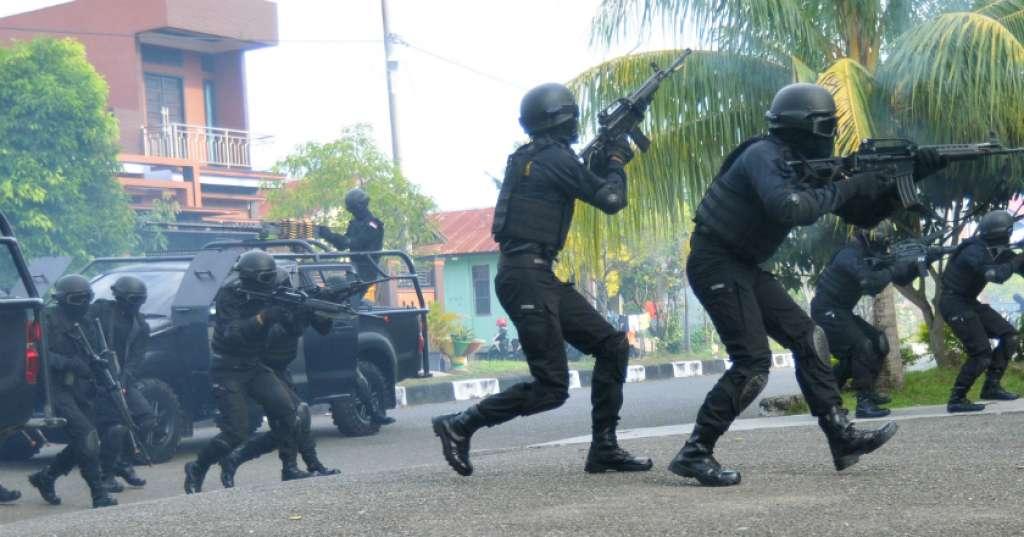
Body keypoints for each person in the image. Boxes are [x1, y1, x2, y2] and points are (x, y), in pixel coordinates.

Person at [671, 82, 947, 486]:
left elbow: (863, 216)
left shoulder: (803, 164)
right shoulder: (762, 155)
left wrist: (910, 175)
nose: (831, 134)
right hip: (715, 262)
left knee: (809, 338)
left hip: (743, 265)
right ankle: (694, 452)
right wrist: (852, 183)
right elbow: (791, 207)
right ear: (809, 127)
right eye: (827, 126)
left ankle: (842, 438)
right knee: (752, 362)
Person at [431, 82, 652, 477]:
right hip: (526, 276)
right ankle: (460, 424)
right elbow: (611, 200)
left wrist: (603, 158)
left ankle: (604, 448)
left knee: (612, 346)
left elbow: (580, 181)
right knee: (551, 388)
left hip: (536, 274)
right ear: (564, 119)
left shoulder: (537, 158)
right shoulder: (553, 158)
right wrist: (617, 159)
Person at [183, 250, 306, 494]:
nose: (270, 283)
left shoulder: (277, 287)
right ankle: (198, 466)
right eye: (264, 279)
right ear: (250, 278)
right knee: (236, 431)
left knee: (289, 414)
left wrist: (297, 314)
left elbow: (292, 328)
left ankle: (289, 467)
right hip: (228, 368)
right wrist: (263, 317)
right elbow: (233, 334)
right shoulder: (230, 294)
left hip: (254, 364)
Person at [218, 269, 340, 488]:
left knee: (292, 423)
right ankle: (294, 466)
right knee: (294, 418)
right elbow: (264, 335)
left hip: (281, 368)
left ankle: (301, 465)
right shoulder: (264, 306)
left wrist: (326, 306)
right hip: (263, 368)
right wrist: (280, 315)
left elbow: (323, 328)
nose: (287, 290)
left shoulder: (296, 302)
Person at [811, 226, 921, 418]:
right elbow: (871, 283)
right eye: (882, 239)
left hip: (841, 311)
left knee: (879, 343)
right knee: (863, 347)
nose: (885, 244)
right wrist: (892, 269)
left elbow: (901, 278)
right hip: (826, 312)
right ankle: (863, 402)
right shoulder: (849, 255)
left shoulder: (869, 255)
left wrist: (921, 262)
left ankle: (825, 397)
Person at [28, 275, 117, 508]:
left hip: (81, 387)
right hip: (54, 388)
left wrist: (99, 367)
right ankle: (99, 494)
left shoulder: (89, 322)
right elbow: (40, 353)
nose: (84, 303)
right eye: (78, 299)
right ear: (63, 300)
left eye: (88, 298)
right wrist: (69, 363)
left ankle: (46, 476)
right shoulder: (46, 319)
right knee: (86, 435)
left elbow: (96, 353)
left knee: (88, 439)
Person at [940, 209, 1023, 413]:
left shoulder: (997, 248)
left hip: (968, 301)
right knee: (981, 353)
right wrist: (1020, 257)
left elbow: (1017, 266)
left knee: (1009, 335)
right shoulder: (974, 250)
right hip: (953, 303)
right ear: (1006, 231)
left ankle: (991, 387)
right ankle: (957, 398)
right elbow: (997, 275)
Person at [88, 275, 155, 492]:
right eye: (133, 299)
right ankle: (106, 475)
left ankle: (123, 464)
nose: (137, 304)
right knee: (116, 427)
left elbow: (137, 358)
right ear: (120, 297)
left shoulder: (141, 325)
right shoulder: (100, 311)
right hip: (95, 378)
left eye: (140, 300)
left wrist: (124, 380)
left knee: (146, 419)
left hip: (122, 379)